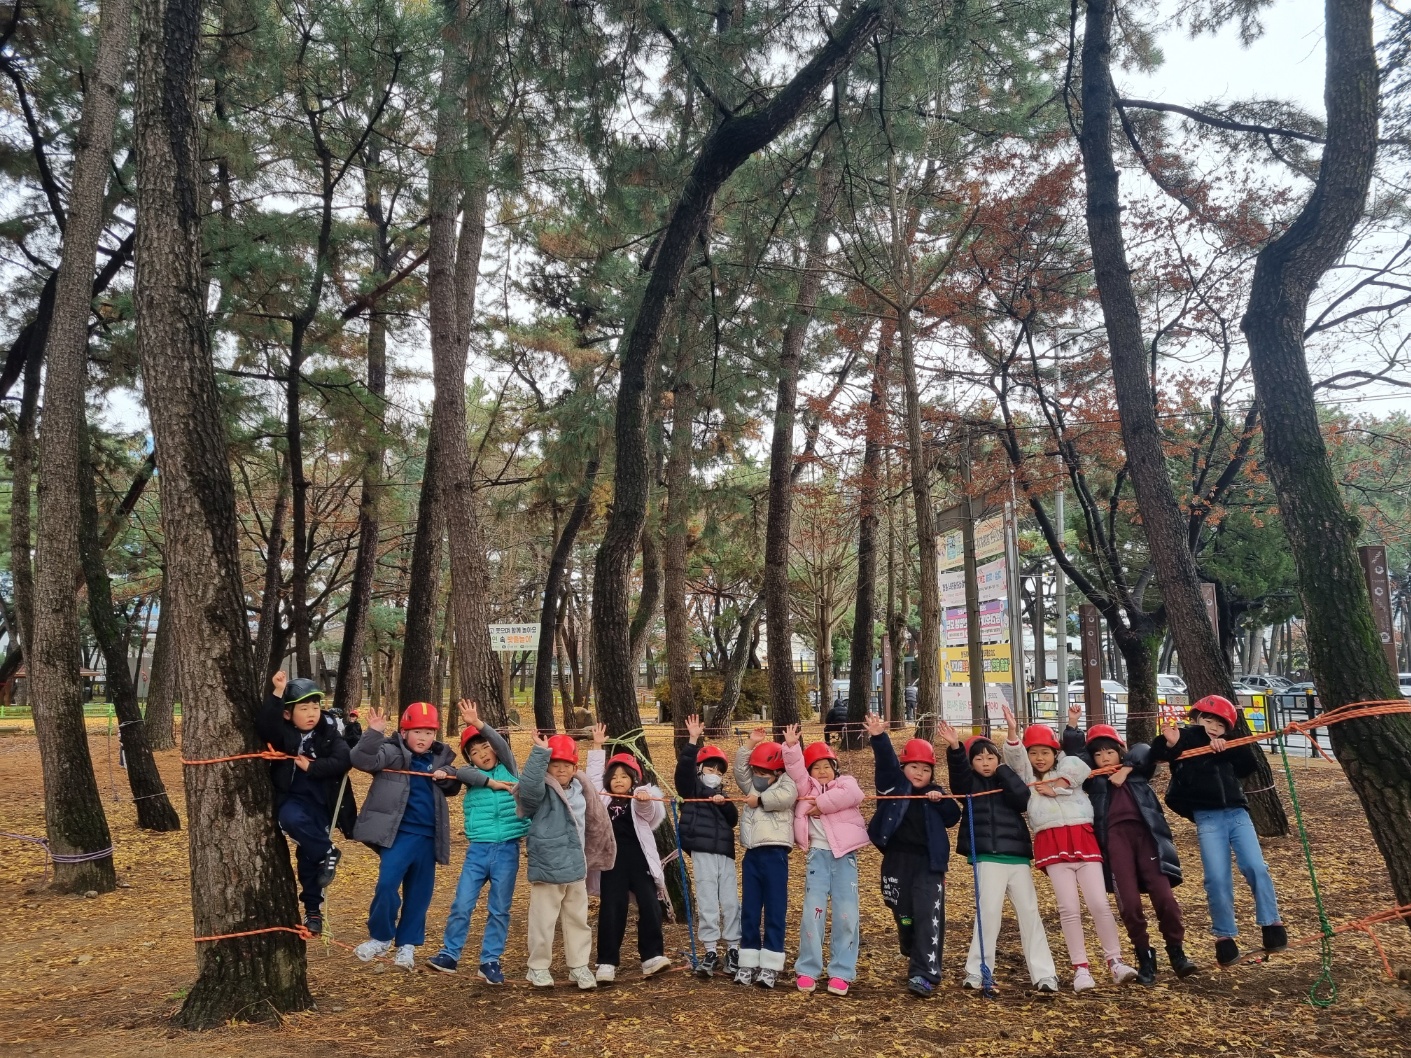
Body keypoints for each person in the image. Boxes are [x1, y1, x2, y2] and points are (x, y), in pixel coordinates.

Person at [1000, 705, 1138, 992]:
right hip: (1051, 841)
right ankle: (1081, 969)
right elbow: (1015, 758)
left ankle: (1115, 961)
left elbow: (1077, 764)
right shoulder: (1027, 777)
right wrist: (1013, 732)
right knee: (1069, 908)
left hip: (1083, 837)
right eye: (1034, 752)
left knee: (1099, 904)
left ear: (1055, 752)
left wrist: (1059, 787)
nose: (1039, 758)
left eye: (1045, 752)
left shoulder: (1068, 766)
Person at [1061, 709, 1197, 984]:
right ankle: (1144, 955)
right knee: (1130, 904)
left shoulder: (1137, 772)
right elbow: (1076, 755)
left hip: (1147, 839)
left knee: (1165, 899)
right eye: (1098, 754)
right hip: (1115, 842)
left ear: (1120, 752)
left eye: (1110, 752)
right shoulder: (1095, 780)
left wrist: (1125, 769)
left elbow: (1144, 749)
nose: (1104, 757)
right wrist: (1073, 726)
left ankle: (1177, 952)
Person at [1150, 694, 1286, 966]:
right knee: (1216, 877)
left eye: (1220, 724)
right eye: (1208, 720)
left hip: (1237, 813)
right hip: (1208, 817)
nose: (1213, 727)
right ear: (1197, 719)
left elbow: (1248, 765)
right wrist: (1170, 742)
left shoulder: (1229, 743)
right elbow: (1158, 753)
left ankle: (1271, 924)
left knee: (1256, 867)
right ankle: (1225, 938)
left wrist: (1227, 748)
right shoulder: (1186, 738)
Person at [942, 720, 1059, 995]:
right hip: (987, 856)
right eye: (979, 758)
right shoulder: (970, 785)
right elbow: (958, 779)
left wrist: (1004, 770)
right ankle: (977, 970)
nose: (985, 763)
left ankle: (1045, 974)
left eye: (990, 757)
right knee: (989, 913)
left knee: (1029, 913)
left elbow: (1022, 799)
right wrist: (956, 748)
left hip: (1017, 857)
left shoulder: (1006, 779)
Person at [350, 702, 462, 970]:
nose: (423, 738)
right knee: (387, 883)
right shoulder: (391, 752)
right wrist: (374, 733)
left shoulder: (440, 758)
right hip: (398, 834)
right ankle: (380, 937)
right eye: (417, 732)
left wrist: (446, 775)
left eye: (429, 733)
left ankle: (407, 945)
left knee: (419, 893)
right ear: (403, 733)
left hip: (428, 837)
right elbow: (362, 760)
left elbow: (453, 785)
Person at [426, 699, 527, 982]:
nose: (483, 754)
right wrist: (490, 783)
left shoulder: (510, 769)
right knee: (462, 903)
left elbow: (500, 742)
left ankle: (490, 961)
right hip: (478, 851)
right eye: (474, 752)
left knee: (499, 909)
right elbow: (459, 771)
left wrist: (477, 723)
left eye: (485, 747)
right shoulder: (472, 776)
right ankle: (450, 954)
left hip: (507, 850)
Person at [863, 714, 961, 998]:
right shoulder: (893, 787)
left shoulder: (936, 793)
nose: (919, 773)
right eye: (913, 767)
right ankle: (908, 940)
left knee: (928, 914)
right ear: (903, 767)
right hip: (896, 860)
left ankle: (924, 973)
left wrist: (940, 800)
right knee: (903, 913)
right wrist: (879, 737)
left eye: (925, 769)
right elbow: (885, 764)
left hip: (929, 864)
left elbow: (953, 817)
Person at [255, 671, 356, 937]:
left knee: (308, 861)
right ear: (288, 714)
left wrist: (313, 767)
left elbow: (344, 760)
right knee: (290, 819)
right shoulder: (284, 734)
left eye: (315, 707)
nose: (312, 713)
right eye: (304, 708)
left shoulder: (328, 733)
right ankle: (328, 852)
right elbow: (265, 727)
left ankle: (313, 912)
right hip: (293, 799)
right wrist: (278, 692)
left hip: (322, 803)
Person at [516, 729, 616, 990]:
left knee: (577, 919)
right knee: (543, 919)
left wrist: (597, 747)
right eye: (555, 764)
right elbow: (527, 790)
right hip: (548, 866)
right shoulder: (542, 791)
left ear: (574, 768)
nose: (561, 769)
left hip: (576, 866)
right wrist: (539, 753)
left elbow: (594, 810)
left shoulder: (582, 789)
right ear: (547, 767)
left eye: (566, 765)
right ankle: (538, 967)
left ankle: (579, 965)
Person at [782, 723, 869, 997]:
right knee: (813, 913)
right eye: (816, 767)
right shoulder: (805, 786)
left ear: (835, 768)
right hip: (817, 856)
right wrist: (792, 747)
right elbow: (795, 770)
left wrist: (820, 805)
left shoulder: (845, 783)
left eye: (827, 766)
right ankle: (808, 968)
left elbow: (853, 795)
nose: (822, 771)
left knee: (846, 915)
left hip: (844, 857)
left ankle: (842, 971)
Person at [587, 726, 672, 983]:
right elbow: (592, 780)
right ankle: (606, 961)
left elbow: (650, 813)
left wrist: (644, 799)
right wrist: (597, 747)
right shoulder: (602, 799)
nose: (619, 780)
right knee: (612, 908)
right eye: (614, 777)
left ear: (634, 780)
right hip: (612, 862)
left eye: (625, 776)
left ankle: (652, 956)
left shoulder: (640, 798)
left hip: (639, 860)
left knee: (650, 904)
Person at [732, 726, 798, 988]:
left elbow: (786, 797)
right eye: (756, 772)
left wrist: (758, 801)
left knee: (774, 908)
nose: (758, 778)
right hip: (752, 855)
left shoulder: (786, 782)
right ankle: (748, 960)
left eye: (764, 774)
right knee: (749, 909)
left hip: (775, 854)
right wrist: (750, 744)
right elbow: (740, 770)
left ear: (777, 773)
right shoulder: (751, 786)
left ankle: (770, 964)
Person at [675, 714, 740, 978]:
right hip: (702, 852)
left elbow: (733, 819)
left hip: (725, 853)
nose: (714, 775)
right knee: (707, 899)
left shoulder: (722, 795)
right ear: (700, 770)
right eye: (710, 770)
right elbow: (683, 771)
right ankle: (710, 949)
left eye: (719, 772)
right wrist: (693, 741)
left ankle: (734, 948)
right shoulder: (691, 790)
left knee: (730, 901)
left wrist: (724, 803)